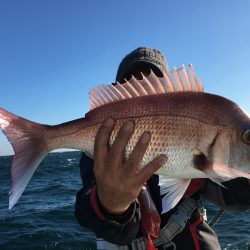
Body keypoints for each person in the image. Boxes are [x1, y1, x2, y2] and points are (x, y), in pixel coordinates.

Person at [75, 47, 250, 250]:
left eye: (152, 85)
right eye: (130, 87)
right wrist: (111, 205)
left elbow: (235, 197)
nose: (141, 92)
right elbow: (87, 212)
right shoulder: (99, 146)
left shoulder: (202, 139)